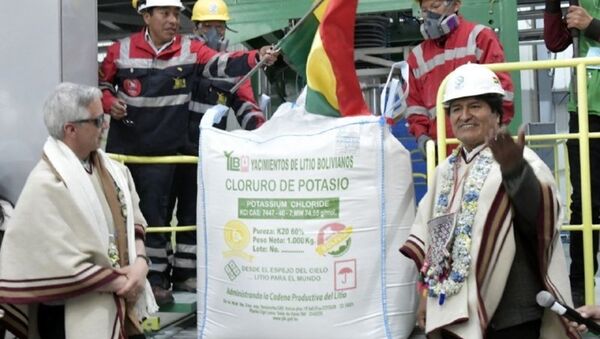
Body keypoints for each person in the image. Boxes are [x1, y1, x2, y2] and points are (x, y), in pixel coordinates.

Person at [98, 0, 277, 304]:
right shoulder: (121, 50)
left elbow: (226, 71)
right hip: (130, 153)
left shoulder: (189, 52)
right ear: (146, 15)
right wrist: (107, 102)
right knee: (147, 218)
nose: (172, 20)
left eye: (175, 14)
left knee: (181, 216)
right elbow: (100, 82)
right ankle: (151, 279)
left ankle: (177, 276)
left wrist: (255, 59)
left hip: (179, 152)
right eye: (165, 13)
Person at [399, 64, 573, 338]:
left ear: (496, 113)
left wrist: (515, 173)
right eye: (456, 109)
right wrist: (425, 296)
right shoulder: (445, 171)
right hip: (452, 313)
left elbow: (538, 219)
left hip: (512, 317)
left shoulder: (523, 160)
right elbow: (433, 242)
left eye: (475, 106)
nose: (464, 116)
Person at [0, 83, 155, 338]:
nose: (105, 124)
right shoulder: (46, 184)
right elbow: (52, 261)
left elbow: (135, 224)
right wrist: (122, 282)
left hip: (122, 299)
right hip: (70, 315)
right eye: (97, 120)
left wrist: (140, 264)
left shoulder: (114, 171)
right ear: (70, 129)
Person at [164, 0, 267, 293]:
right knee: (159, 212)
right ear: (195, 27)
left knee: (192, 214)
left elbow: (245, 102)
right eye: (207, 27)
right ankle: (155, 277)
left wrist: (261, 131)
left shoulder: (230, 65)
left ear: (226, 29)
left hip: (202, 154)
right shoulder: (184, 54)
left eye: (218, 27)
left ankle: (185, 274)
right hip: (169, 149)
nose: (213, 32)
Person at [544, 0, 600, 307]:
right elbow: (554, 41)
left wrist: (591, 25)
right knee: (585, 205)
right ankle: (579, 285)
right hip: (584, 114)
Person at [406, 0, 514, 157]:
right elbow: (415, 106)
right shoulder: (417, 57)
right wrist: (422, 136)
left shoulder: (479, 37)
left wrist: (493, 133)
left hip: (484, 146)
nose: (429, 15)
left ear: (456, 5)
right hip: (441, 151)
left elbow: (503, 92)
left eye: (435, 6)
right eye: (424, 10)